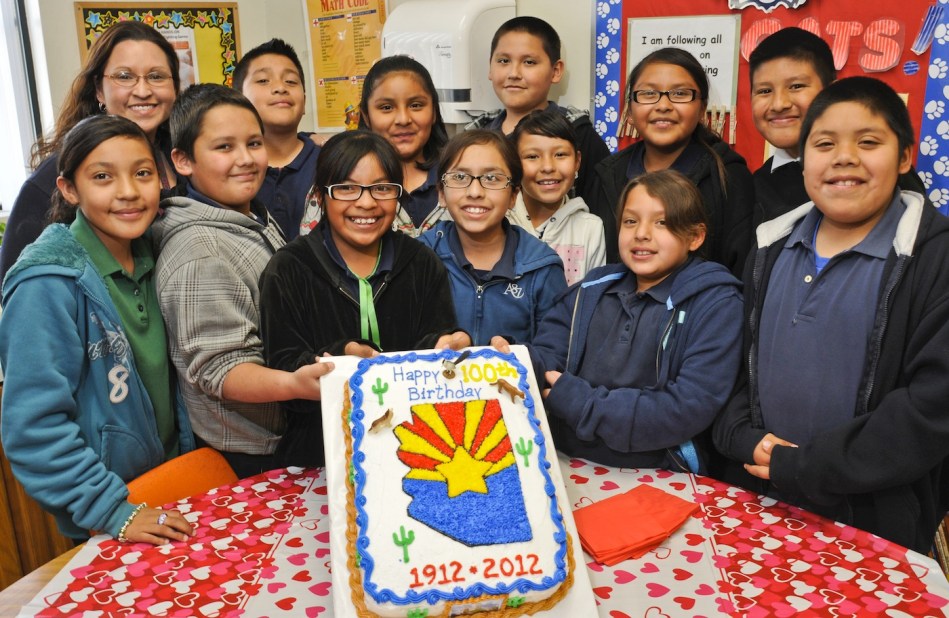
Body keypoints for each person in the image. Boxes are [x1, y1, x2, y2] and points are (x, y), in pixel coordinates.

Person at [712, 77, 949, 554]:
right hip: (762, 497)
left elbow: (931, 408)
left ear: (904, 157)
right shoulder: (770, 246)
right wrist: (742, 436)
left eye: (868, 141)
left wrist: (808, 465)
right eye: (824, 144)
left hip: (876, 522)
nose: (844, 157)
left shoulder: (932, 257)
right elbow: (740, 363)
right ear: (804, 161)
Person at [0, 115, 194, 545]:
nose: (128, 191)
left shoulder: (155, 251)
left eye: (142, 173)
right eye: (103, 177)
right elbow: (33, 429)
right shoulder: (47, 282)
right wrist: (112, 511)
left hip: (170, 491)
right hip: (111, 517)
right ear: (70, 189)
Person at [496, 169, 743, 473]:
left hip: (661, 471)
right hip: (567, 458)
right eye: (630, 221)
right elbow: (550, 353)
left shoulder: (715, 302)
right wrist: (516, 358)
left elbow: (689, 405)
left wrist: (583, 403)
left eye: (661, 222)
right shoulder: (593, 287)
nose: (641, 233)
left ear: (695, 237)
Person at [259, 130, 470, 468]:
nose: (367, 202)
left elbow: (432, 343)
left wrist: (444, 344)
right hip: (320, 454)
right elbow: (284, 369)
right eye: (346, 188)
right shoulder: (287, 269)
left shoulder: (421, 262)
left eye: (382, 188)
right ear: (320, 196)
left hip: (413, 449)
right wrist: (342, 356)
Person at [153, 84, 331, 478]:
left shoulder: (246, 217)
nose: (246, 159)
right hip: (257, 454)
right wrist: (296, 383)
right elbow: (222, 369)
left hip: (283, 437)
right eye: (224, 147)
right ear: (182, 160)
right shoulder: (201, 251)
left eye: (254, 143)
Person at [0, 21, 181, 281]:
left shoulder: (182, 156)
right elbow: (16, 279)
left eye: (156, 76)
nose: (143, 91)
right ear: (98, 89)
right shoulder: (55, 174)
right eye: (124, 76)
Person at [592, 48, 754, 273]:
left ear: (702, 109)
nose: (663, 105)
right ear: (630, 110)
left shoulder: (727, 176)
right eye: (648, 93)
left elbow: (741, 273)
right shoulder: (608, 174)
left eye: (680, 94)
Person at [749, 27, 930, 227]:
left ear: (831, 92)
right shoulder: (751, 187)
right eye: (764, 91)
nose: (779, 104)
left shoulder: (878, 170)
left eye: (797, 86)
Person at [419, 130, 566, 345]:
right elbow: (401, 341)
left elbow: (556, 353)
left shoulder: (542, 268)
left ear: (514, 196)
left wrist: (511, 355)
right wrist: (433, 345)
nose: (475, 192)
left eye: (492, 178)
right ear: (441, 193)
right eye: (460, 177)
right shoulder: (421, 258)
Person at [466, 16, 610, 213]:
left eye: (529, 62)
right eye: (503, 61)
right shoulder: (476, 137)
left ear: (556, 70)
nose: (514, 73)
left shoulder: (578, 135)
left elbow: (600, 212)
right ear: (490, 67)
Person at [232, 38, 320, 240]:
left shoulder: (332, 163)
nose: (280, 88)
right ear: (238, 98)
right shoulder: (231, 169)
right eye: (263, 80)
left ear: (304, 101)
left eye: (291, 81)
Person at [509, 108, 606, 285]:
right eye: (532, 156)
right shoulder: (500, 221)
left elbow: (591, 299)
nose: (548, 167)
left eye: (560, 155)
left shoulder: (590, 228)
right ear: (514, 163)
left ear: (577, 161)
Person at [358, 55, 451, 237]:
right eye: (386, 107)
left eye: (416, 105)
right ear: (366, 116)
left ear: (433, 112)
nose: (403, 119)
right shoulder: (345, 183)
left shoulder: (460, 178)